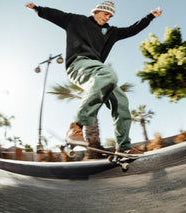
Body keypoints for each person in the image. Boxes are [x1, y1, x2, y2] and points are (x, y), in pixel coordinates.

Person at [26, 1, 162, 157]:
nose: (107, 18)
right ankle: (76, 127)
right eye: (105, 13)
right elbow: (55, 15)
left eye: (110, 16)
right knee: (108, 74)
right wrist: (37, 9)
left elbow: (132, 29)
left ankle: (123, 146)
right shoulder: (76, 20)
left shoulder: (111, 32)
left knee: (121, 100)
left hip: (96, 70)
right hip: (78, 64)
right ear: (96, 11)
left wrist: (150, 16)